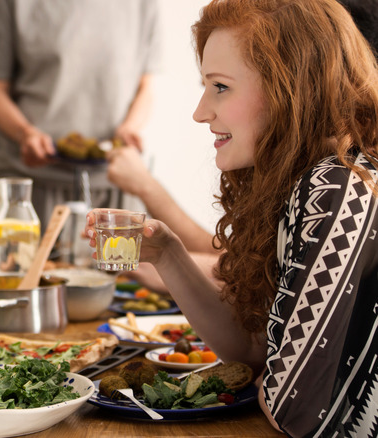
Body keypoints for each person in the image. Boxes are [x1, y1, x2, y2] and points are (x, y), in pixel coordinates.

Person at [87, 0, 378, 435]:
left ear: (291, 88)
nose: (201, 111)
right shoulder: (305, 181)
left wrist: (273, 383)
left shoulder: (338, 186)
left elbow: (292, 410)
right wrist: (168, 254)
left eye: (220, 87)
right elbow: (254, 352)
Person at [0, 0, 161, 229]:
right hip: (33, 186)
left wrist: (129, 129)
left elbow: (146, 86)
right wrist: (25, 133)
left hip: (116, 185)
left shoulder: (143, 4)